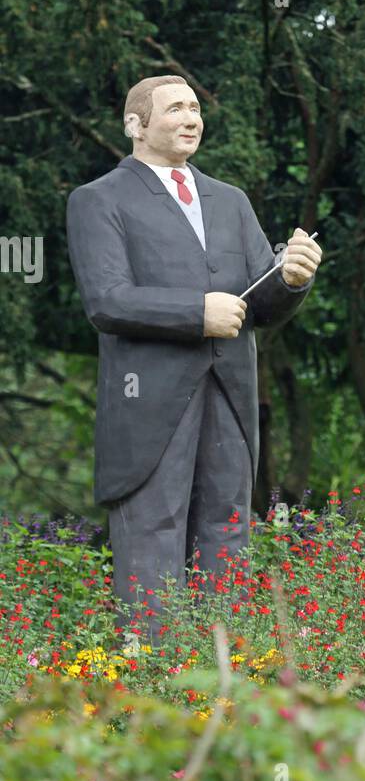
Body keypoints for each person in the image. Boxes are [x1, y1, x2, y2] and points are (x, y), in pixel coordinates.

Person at [67, 74, 322, 640]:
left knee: (227, 525)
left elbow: (259, 301)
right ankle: (154, 681)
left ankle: (222, 673)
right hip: (148, 400)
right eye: (174, 108)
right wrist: (195, 313)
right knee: (153, 528)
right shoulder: (98, 200)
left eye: (195, 109)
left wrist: (293, 279)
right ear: (136, 125)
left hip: (230, 392)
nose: (190, 118)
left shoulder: (230, 200)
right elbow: (106, 300)